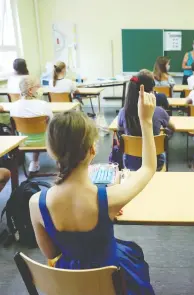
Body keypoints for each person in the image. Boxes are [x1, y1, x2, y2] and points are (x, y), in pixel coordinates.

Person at [29, 94, 157, 294]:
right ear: (92, 150)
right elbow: (148, 168)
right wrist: (146, 121)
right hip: (112, 279)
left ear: (52, 152)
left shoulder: (36, 203)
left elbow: (51, 252)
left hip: (70, 283)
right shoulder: (110, 198)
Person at [117, 70, 174, 171]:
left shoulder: (123, 112)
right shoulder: (159, 111)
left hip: (130, 164)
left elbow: (119, 132)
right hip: (155, 164)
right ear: (152, 92)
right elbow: (173, 128)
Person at [9, 76, 53, 173]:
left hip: (23, 142)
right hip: (44, 141)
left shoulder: (14, 106)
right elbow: (52, 123)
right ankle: (61, 164)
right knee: (46, 132)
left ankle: (34, 162)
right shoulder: (43, 105)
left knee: (32, 132)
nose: (40, 88)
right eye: (38, 86)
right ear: (30, 90)